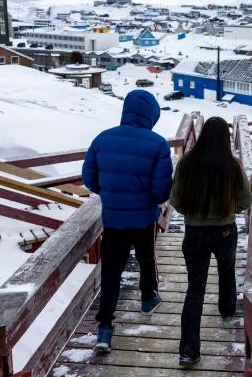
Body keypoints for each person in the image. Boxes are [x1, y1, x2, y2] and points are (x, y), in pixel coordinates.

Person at [82, 90, 173, 356]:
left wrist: (110, 194)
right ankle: (147, 298)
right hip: (144, 219)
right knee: (146, 260)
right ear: (151, 115)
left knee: (111, 272)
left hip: (113, 221)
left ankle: (105, 330)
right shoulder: (157, 144)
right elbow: (160, 193)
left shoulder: (103, 138)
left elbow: (89, 178)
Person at [169, 117, 252, 366]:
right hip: (225, 231)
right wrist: (228, 210)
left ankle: (188, 351)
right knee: (227, 270)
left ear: (203, 135)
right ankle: (227, 310)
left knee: (195, 288)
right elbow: (246, 200)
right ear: (226, 140)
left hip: (194, 233)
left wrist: (193, 213)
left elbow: (175, 200)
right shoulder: (232, 165)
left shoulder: (186, 163)